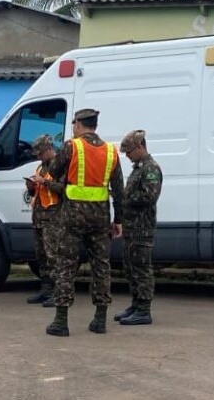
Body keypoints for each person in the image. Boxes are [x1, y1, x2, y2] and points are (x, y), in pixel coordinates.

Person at [46, 109, 124, 337]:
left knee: (66, 265)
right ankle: (100, 319)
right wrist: (119, 220)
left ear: (79, 124)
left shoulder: (72, 146)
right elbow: (119, 190)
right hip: (100, 217)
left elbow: (53, 171)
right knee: (101, 266)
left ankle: (61, 321)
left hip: (73, 216)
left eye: (74, 124)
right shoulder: (111, 151)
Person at [116, 129, 163, 325]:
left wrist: (125, 197)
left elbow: (149, 196)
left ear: (140, 146)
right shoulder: (138, 168)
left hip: (142, 228)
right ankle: (136, 304)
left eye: (129, 152)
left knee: (142, 269)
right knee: (131, 268)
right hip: (132, 228)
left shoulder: (150, 168)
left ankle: (144, 310)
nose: (127, 156)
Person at [25, 135, 64, 307]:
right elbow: (39, 191)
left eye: (40, 153)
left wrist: (45, 182)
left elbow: (64, 188)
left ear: (48, 149)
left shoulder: (60, 166)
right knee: (41, 257)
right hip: (39, 218)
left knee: (53, 257)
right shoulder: (41, 167)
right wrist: (32, 187)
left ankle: (58, 293)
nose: (39, 157)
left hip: (53, 219)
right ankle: (46, 289)